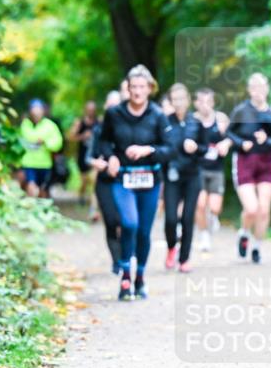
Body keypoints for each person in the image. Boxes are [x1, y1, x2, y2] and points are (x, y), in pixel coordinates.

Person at [99, 65, 173, 300]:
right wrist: (110, 156)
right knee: (128, 223)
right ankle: (125, 275)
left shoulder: (158, 115)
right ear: (127, 89)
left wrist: (147, 149)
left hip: (150, 179)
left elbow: (169, 149)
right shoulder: (114, 114)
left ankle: (140, 276)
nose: (137, 91)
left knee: (143, 231)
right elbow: (103, 141)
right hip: (124, 178)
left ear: (150, 89)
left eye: (142, 87)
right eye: (133, 87)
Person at [227, 72, 271, 264]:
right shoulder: (241, 111)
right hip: (245, 162)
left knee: (264, 210)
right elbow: (228, 133)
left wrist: (266, 140)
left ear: (267, 89)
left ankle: (257, 246)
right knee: (251, 209)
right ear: (249, 90)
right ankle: (244, 234)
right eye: (254, 88)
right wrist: (241, 143)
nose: (258, 92)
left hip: (266, 164)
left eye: (261, 88)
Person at [162, 83, 206, 273]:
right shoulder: (164, 123)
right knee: (171, 218)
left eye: (182, 99)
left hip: (192, 176)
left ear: (188, 101)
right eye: (175, 99)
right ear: (171, 102)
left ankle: (184, 258)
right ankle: (172, 246)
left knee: (188, 217)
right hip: (172, 176)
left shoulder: (196, 123)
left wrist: (196, 148)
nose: (179, 103)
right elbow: (159, 149)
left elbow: (205, 148)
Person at [87, 90, 124, 273]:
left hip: (124, 181)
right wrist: (98, 163)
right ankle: (116, 261)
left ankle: (125, 255)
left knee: (124, 221)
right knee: (111, 221)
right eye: (111, 104)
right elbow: (88, 157)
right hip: (104, 181)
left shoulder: (128, 126)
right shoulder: (98, 129)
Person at [193, 88, 231, 252]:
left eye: (208, 101)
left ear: (213, 103)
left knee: (215, 207)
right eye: (201, 102)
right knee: (200, 204)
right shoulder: (192, 120)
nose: (205, 105)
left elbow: (232, 137)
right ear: (196, 103)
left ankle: (213, 217)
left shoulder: (221, 119)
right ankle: (204, 235)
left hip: (216, 169)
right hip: (198, 168)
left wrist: (226, 142)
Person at [19, 98, 63, 198]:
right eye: (34, 110)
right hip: (28, 163)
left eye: (39, 110)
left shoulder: (50, 125)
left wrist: (45, 143)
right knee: (31, 186)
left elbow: (58, 143)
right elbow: (20, 142)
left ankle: (42, 209)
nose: (36, 113)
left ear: (43, 111)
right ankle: (31, 209)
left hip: (45, 164)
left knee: (43, 190)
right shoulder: (25, 124)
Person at [70, 100, 98, 210]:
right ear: (85, 110)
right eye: (89, 109)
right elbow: (70, 137)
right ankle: (81, 196)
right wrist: (82, 136)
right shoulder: (79, 122)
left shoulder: (98, 122)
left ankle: (93, 206)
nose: (91, 111)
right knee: (84, 181)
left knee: (94, 180)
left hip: (94, 156)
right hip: (82, 155)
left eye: (92, 110)